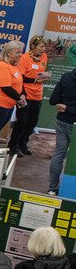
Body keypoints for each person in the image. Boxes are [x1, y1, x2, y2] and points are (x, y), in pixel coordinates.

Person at [7, 35, 51, 156]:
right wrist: (36, 80)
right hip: (25, 93)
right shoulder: (24, 58)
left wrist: (45, 76)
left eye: (44, 46)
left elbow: (39, 73)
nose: (43, 49)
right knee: (22, 121)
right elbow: (21, 77)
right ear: (33, 46)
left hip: (38, 94)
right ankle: (13, 146)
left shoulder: (44, 57)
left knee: (32, 122)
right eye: (41, 46)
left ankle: (23, 144)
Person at [0, 39, 26, 147]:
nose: (20, 55)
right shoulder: (1, 65)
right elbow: (5, 87)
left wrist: (22, 95)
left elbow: (18, 83)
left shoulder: (13, 65)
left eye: (21, 52)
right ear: (8, 52)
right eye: (17, 52)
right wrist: (19, 98)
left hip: (8, 104)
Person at [47, 67, 76, 195]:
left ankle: (52, 188)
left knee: (59, 154)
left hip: (62, 121)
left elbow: (53, 100)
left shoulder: (66, 76)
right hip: (73, 124)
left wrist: (66, 107)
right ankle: (70, 191)